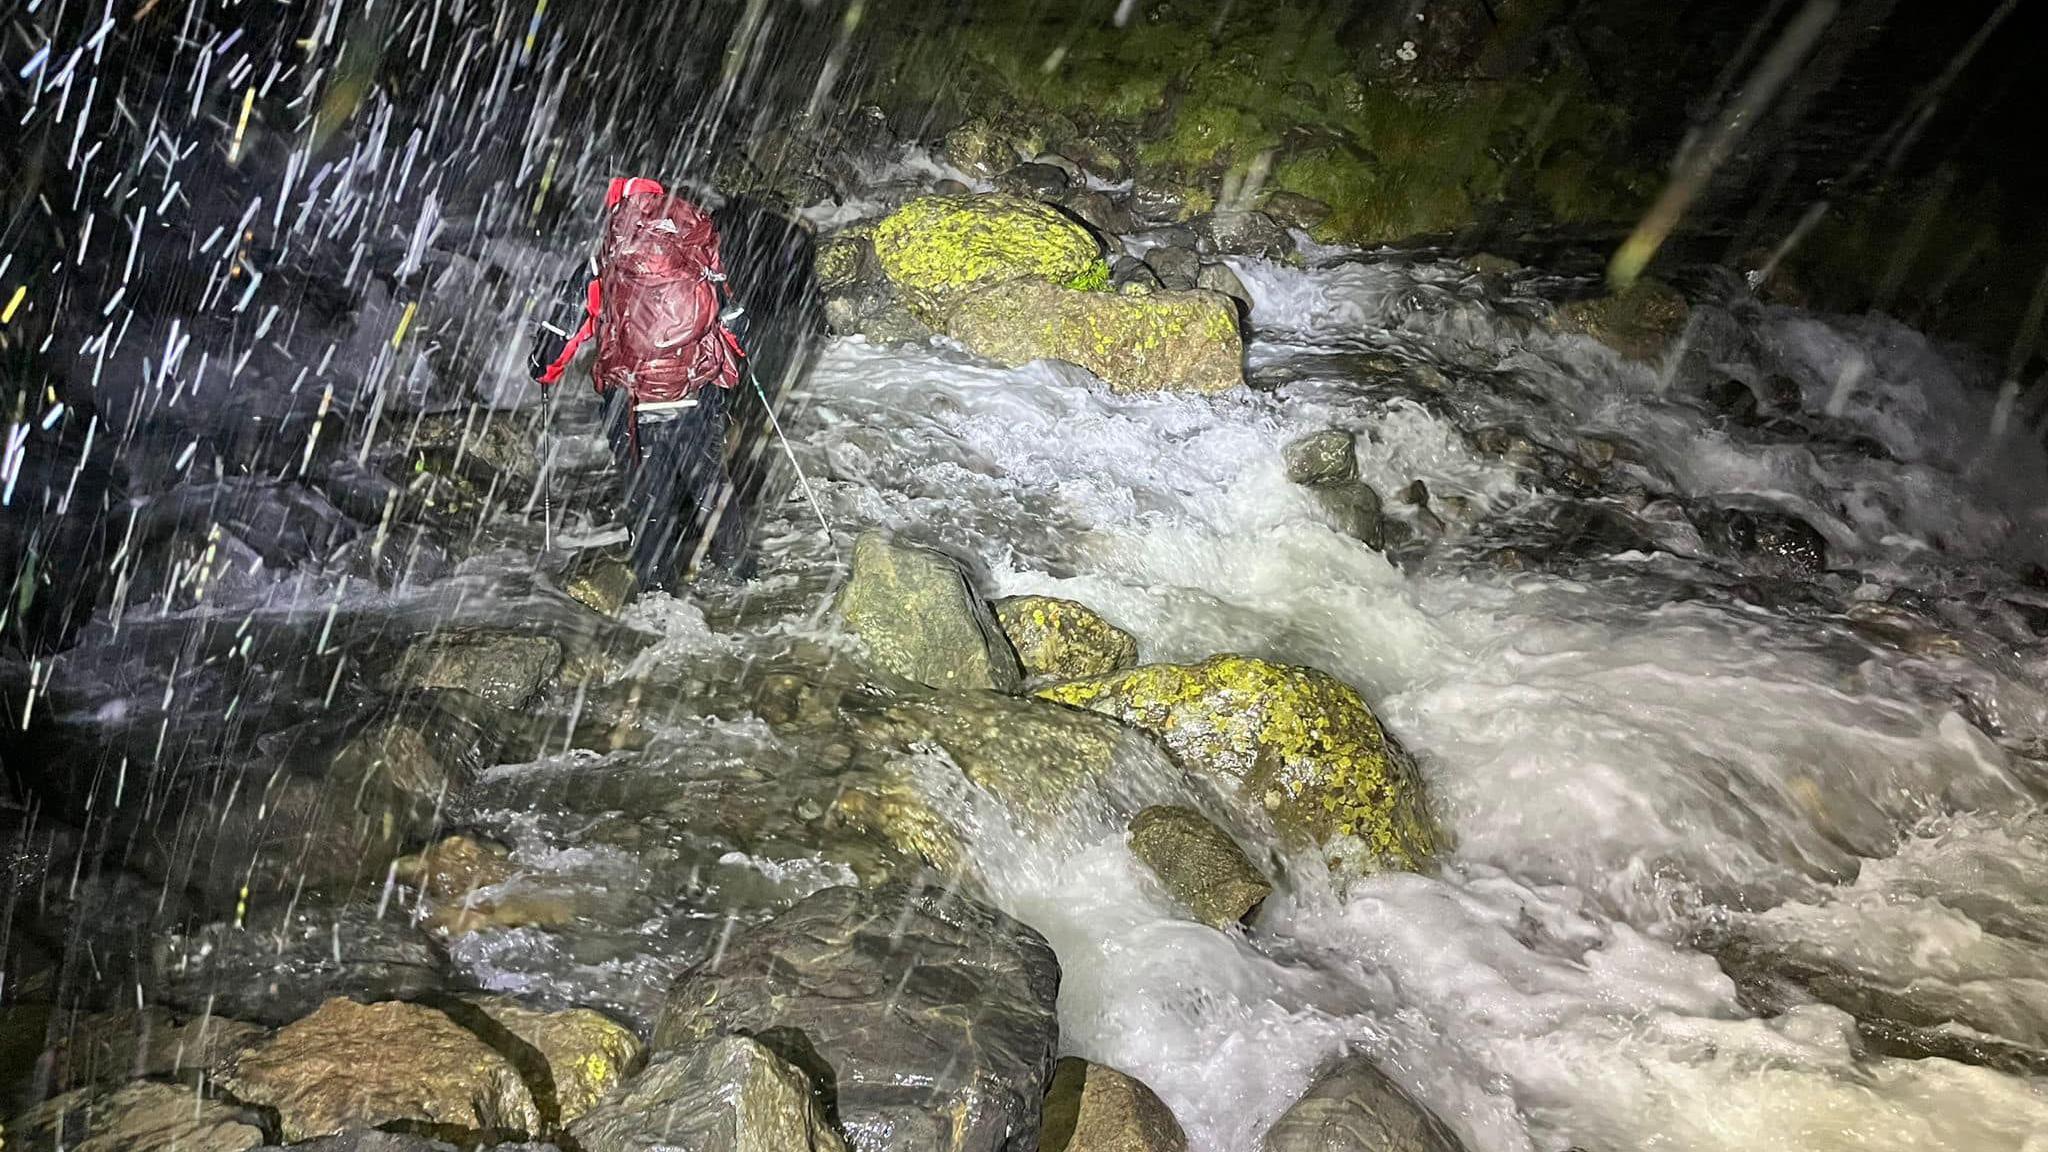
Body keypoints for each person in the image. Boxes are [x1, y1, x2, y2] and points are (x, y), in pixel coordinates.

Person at [529, 176, 749, 591]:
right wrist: (739, 360)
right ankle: (740, 573)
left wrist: (544, 367)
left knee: (647, 499)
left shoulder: (604, 263)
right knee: (711, 486)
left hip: (631, 402)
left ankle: (656, 596)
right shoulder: (694, 249)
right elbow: (732, 320)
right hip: (692, 394)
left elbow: (565, 329)